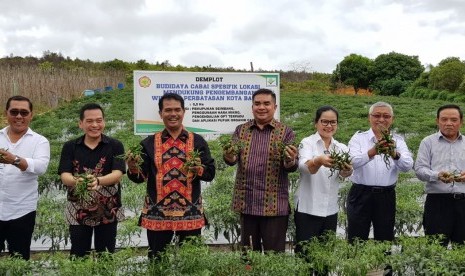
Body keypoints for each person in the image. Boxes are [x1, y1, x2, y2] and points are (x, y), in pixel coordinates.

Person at [126, 93, 215, 259]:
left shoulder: (198, 141)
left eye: (177, 109)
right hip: (157, 215)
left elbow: (210, 173)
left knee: (191, 262)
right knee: (158, 261)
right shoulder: (148, 143)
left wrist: (198, 169)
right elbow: (139, 177)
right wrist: (132, 167)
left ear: (183, 112)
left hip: (190, 213)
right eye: (168, 110)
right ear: (161, 113)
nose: (173, 114)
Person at [223, 88, 298, 253]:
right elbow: (232, 159)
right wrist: (228, 156)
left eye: (266, 103)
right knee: (249, 256)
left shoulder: (286, 132)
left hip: (274, 205)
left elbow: (291, 166)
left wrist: (290, 158)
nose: (261, 107)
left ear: (275, 107)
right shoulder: (241, 130)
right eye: (257, 103)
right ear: (252, 107)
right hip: (247, 202)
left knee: (274, 257)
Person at [58, 103, 125, 258]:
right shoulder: (70, 146)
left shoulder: (115, 145)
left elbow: (117, 173)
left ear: (104, 122)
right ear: (80, 123)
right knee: (79, 254)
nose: (95, 125)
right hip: (78, 210)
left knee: (106, 254)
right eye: (89, 121)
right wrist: (78, 181)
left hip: (108, 209)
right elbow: (65, 176)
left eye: (99, 120)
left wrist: (98, 181)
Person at [347, 101, 413, 243]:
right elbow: (351, 161)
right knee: (356, 239)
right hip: (360, 194)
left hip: (386, 196)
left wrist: (394, 154)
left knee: (385, 238)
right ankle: (356, 265)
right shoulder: (358, 138)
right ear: (369, 117)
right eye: (377, 115)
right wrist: (373, 152)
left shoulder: (399, 141)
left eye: (386, 116)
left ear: (392, 119)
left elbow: (407, 166)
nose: (381, 119)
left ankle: (384, 265)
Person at [294, 106, 352, 258]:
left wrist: (347, 170)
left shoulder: (341, 148)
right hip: (307, 209)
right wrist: (318, 160)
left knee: (325, 257)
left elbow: (344, 174)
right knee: (304, 256)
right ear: (316, 123)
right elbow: (303, 166)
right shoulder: (307, 143)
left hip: (330, 210)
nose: (329, 126)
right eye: (324, 121)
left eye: (333, 122)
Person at [0, 95, 50, 260]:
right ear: (6, 113)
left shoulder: (39, 141)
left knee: (20, 258)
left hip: (22, 210)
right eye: (14, 112)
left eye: (24, 112)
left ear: (31, 115)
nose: (19, 116)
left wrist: (14, 160)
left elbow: (41, 167)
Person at [415, 104, 465, 246]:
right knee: (436, 247)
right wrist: (437, 175)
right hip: (437, 203)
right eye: (444, 119)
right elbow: (419, 169)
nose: (449, 123)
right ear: (437, 121)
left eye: (454, 120)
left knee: (462, 249)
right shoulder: (428, 142)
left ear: (461, 122)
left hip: (463, 202)